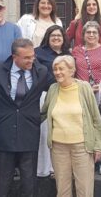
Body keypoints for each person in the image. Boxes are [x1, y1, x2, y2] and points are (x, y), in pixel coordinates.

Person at [0, 38, 52, 197]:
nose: (31, 60)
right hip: (4, 131)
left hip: (29, 131)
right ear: (14, 57)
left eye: (33, 56)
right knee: (3, 181)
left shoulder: (41, 71)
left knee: (29, 181)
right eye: (27, 57)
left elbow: (61, 83)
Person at [41, 55, 101, 197]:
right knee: (62, 190)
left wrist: (98, 145)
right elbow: (43, 113)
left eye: (61, 69)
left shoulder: (84, 87)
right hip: (58, 147)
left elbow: (96, 118)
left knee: (85, 189)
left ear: (72, 70)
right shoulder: (52, 89)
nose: (57, 72)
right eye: (55, 69)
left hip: (82, 146)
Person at [71, 20, 101, 175]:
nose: (91, 35)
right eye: (88, 32)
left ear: (99, 35)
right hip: (83, 94)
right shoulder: (76, 51)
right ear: (83, 35)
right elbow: (71, 71)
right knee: (84, 127)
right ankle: (87, 159)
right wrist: (83, 85)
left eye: (94, 32)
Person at [34, 24, 69, 177]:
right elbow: (39, 73)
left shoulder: (68, 55)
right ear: (47, 37)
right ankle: (42, 168)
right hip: (45, 94)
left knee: (60, 132)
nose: (56, 38)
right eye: (53, 35)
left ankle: (57, 167)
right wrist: (56, 82)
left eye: (59, 36)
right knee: (44, 132)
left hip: (65, 96)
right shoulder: (38, 53)